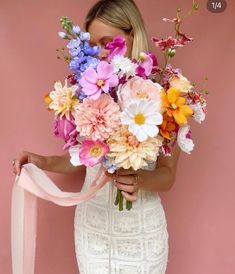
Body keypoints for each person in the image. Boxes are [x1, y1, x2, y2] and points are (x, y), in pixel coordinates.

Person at [12, 0, 180, 273]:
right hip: (93, 227)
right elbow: (83, 158)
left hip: (141, 231)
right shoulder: (85, 93)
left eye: (108, 41)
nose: (100, 53)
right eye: (94, 45)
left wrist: (137, 179)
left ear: (132, 35)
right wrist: (41, 161)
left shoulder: (166, 96)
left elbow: (168, 175)